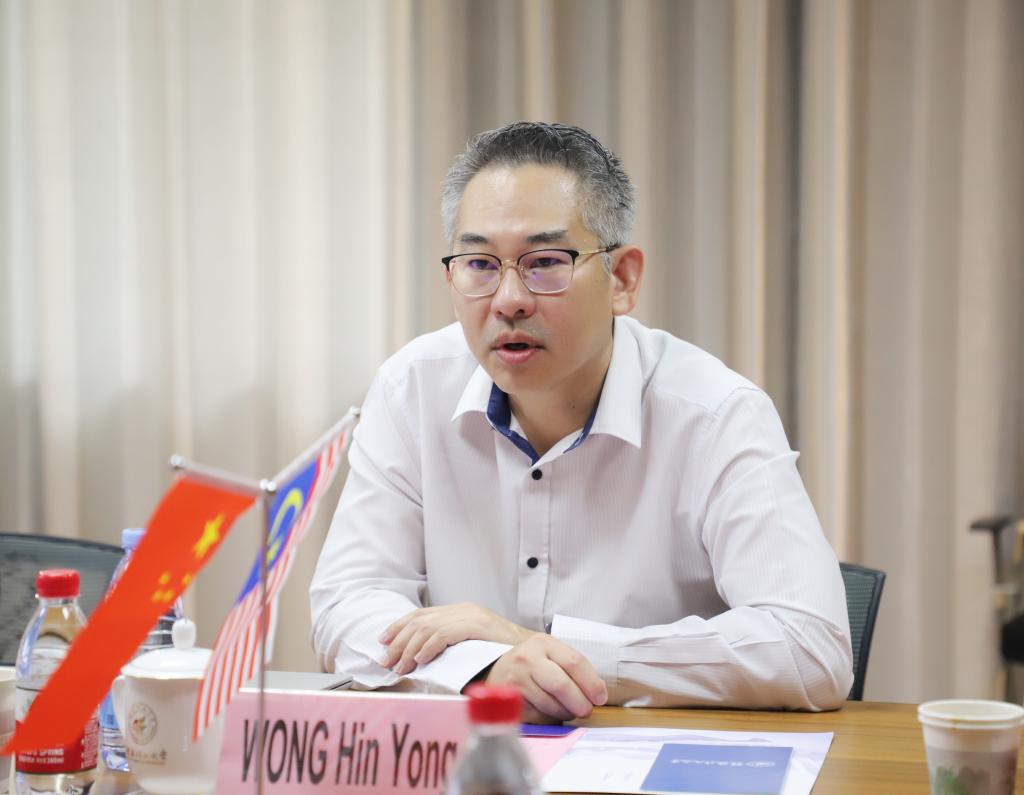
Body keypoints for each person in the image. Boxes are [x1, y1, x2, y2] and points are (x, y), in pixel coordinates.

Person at [310, 122, 853, 722]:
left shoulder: (715, 413)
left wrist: (551, 650)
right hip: (479, 758)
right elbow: (345, 605)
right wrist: (485, 667)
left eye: (546, 262)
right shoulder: (411, 388)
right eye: (480, 264)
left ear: (622, 279)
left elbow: (811, 648)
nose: (508, 299)